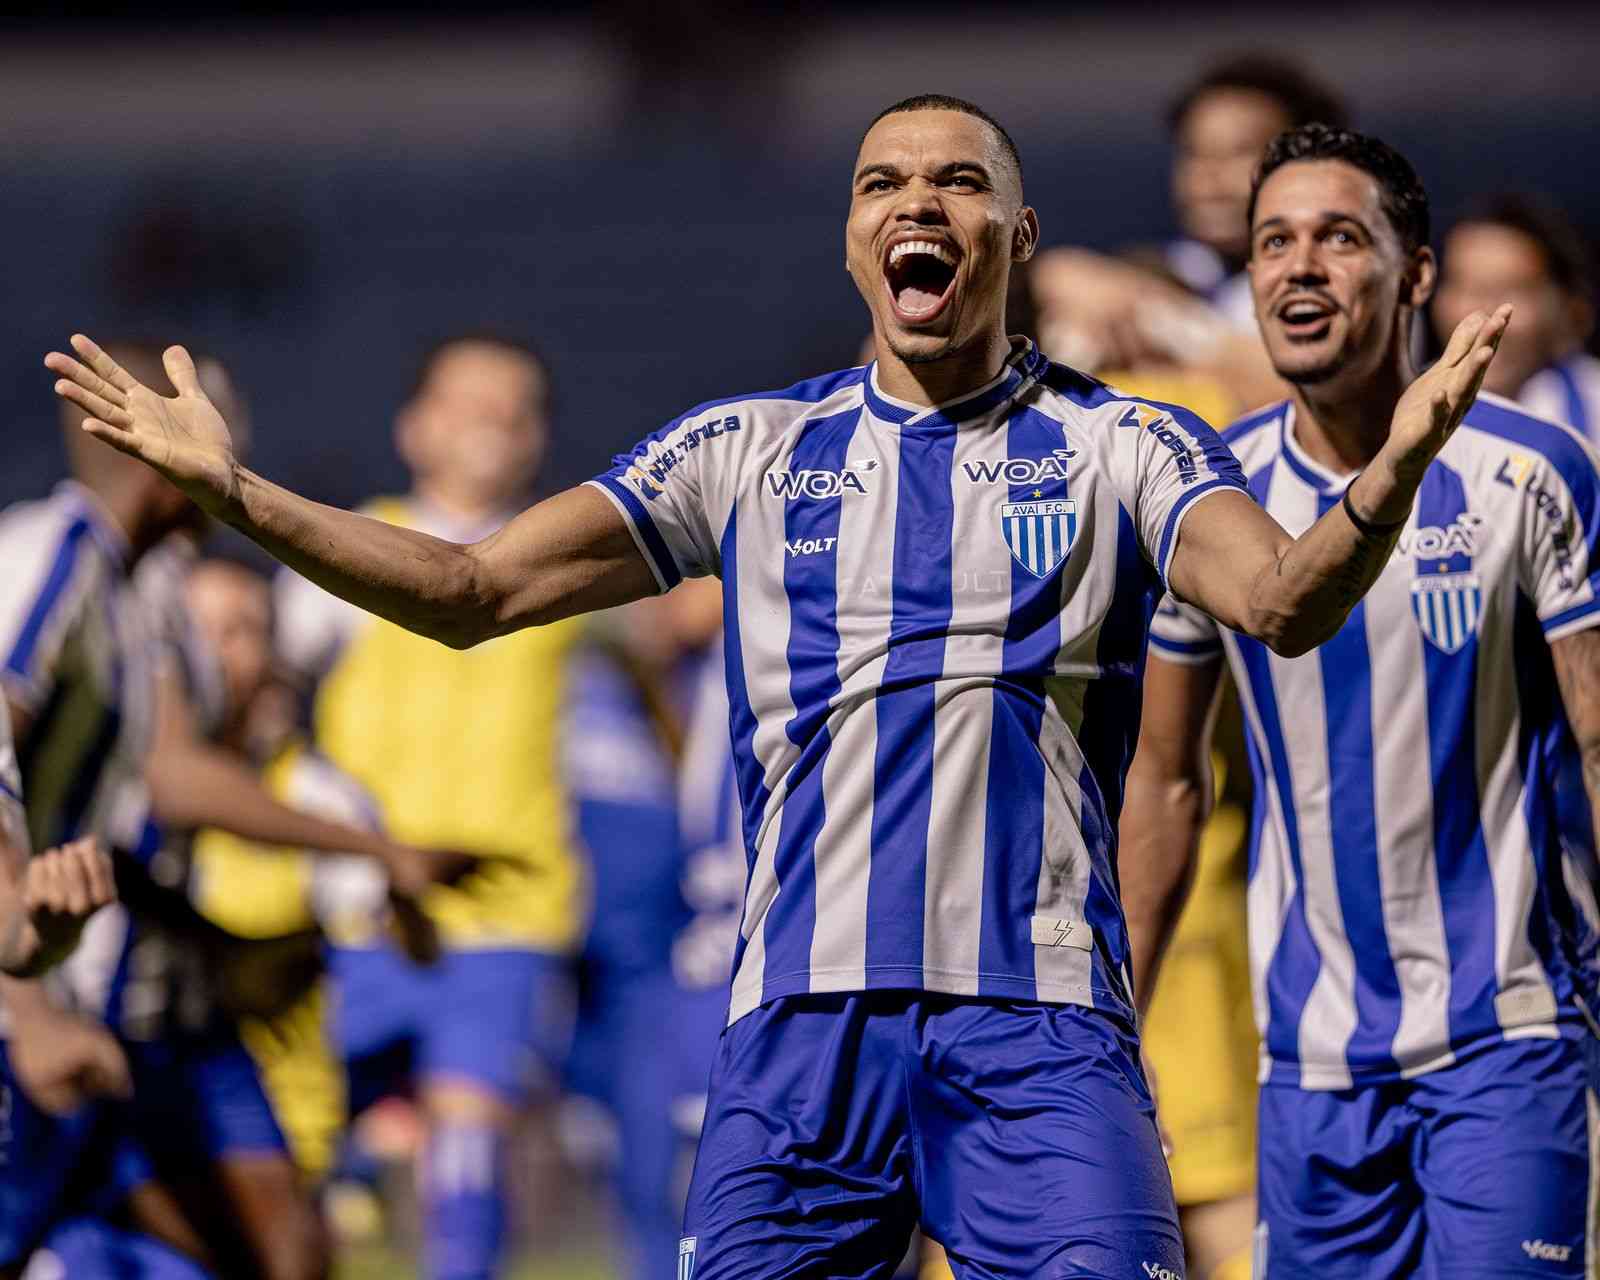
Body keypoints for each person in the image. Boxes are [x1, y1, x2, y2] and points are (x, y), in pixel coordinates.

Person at [48, 94, 1507, 1278]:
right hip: (800, 1034)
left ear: (1020, 232)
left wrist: (1390, 472)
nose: (917, 205)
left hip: (1043, 1023)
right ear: (854, 238)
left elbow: (1280, 598)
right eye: (883, 184)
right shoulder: (745, 451)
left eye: (956, 182)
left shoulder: (1127, 445)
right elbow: (470, 590)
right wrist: (240, 495)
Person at [1127, 123, 1600, 1277]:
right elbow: (1167, 774)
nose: (1300, 267)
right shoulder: (1211, 497)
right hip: (1307, 1062)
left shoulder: (1529, 470)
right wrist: (1108, 1029)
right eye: (1273, 242)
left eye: (1340, 238)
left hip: (1511, 1032)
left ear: (1417, 277)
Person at [0, 343, 457, 1280]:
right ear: (144, 440)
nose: (234, 444)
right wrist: (21, 1003)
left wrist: (223, 944)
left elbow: (129, 810)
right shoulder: (52, 558)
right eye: (211, 421)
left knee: (288, 1251)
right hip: (36, 990)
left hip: (80, 974)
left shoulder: (135, 594)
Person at [273, 333, 582, 1280]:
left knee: (469, 1142)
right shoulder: (343, 551)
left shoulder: (571, 563)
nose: (494, 422)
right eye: (469, 402)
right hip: (362, 908)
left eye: (515, 406)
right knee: (308, 1142)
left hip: (505, 907)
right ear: (414, 428)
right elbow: (269, 715)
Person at [1033, 53, 1347, 384]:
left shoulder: (1341, 285)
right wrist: (1059, 273)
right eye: (1196, 153)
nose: (1210, 175)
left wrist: (1173, 327)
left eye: (1240, 152)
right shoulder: (1156, 271)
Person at [1434, 192, 1600, 440]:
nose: (1484, 318)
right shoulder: (1395, 406)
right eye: (1465, 286)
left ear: (1572, 312)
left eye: (1511, 290)